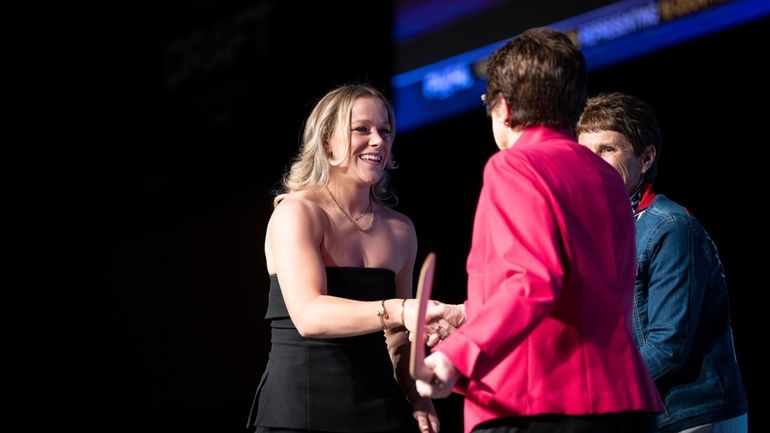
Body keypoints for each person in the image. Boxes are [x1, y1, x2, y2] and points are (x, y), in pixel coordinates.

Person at [413, 27, 664, 433]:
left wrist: (454, 356)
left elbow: (534, 279)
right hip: (623, 403)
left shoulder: (513, 166)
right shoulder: (605, 176)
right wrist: (467, 314)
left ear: (504, 108)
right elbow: (577, 289)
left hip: (537, 403)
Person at [246, 84, 440, 433]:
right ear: (326, 142)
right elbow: (309, 315)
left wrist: (417, 394)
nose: (378, 141)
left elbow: (398, 339)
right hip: (300, 412)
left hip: (380, 412)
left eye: (385, 131)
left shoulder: (400, 230)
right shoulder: (298, 213)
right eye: (362, 130)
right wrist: (400, 309)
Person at [577, 92, 748, 433]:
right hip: (647, 417)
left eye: (607, 150)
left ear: (646, 158)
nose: (592, 163)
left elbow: (667, 348)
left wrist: (586, 391)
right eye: (585, 152)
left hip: (693, 416)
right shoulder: (599, 233)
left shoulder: (670, 227)